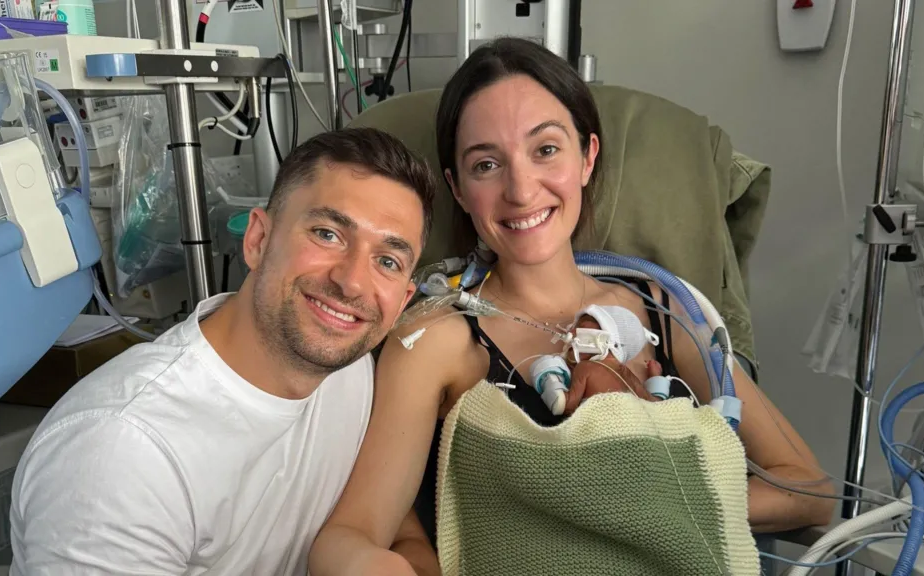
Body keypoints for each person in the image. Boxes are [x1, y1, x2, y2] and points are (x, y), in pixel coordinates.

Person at [310, 38, 835, 575]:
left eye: (546, 150)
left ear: (587, 157)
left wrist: (647, 508)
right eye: (486, 164)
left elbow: (808, 489)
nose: (520, 189)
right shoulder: (436, 339)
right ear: (459, 189)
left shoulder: (666, 311)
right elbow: (356, 531)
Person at [8, 127, 438, 575]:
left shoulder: (347, 371)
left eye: (387, 261)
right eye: (327, 234)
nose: (351, 283)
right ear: (257, 241)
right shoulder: (122, 454)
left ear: (402, 301)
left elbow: (384, 521)